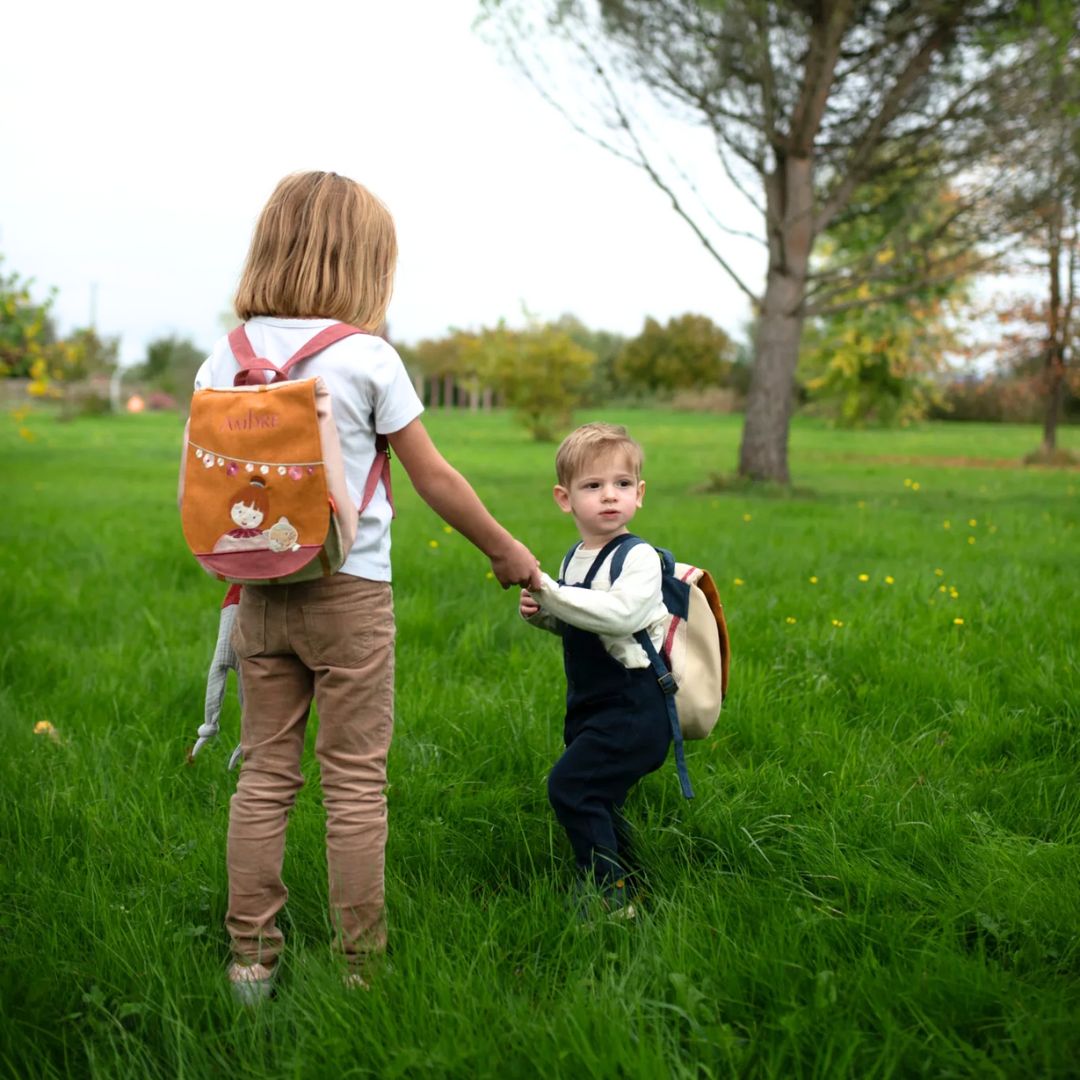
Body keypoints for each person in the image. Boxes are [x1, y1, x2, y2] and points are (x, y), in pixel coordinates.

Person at [193, 171, 540, 1002]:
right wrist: (503, 551)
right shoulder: (367, 356)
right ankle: (362, 969)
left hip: (258, 594)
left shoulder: (226, 354)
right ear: (365, 264)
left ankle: (250, 961)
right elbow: (434, 478)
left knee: (265, 779)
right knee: (352, 781)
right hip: (348, 591)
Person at [519, 422, 671, 918]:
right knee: (599, 797)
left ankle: (608, 898)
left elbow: (622, 616)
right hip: (590, 704)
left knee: (571, 787)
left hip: (634, 704)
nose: (610, 496)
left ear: (639, 493)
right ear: (565, 498)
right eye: (593, 486)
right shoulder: (576, 558)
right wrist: (546, 614)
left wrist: (550, 591)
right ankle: (633, 876)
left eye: (622, 484)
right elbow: (585, 626)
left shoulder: (639, 557)